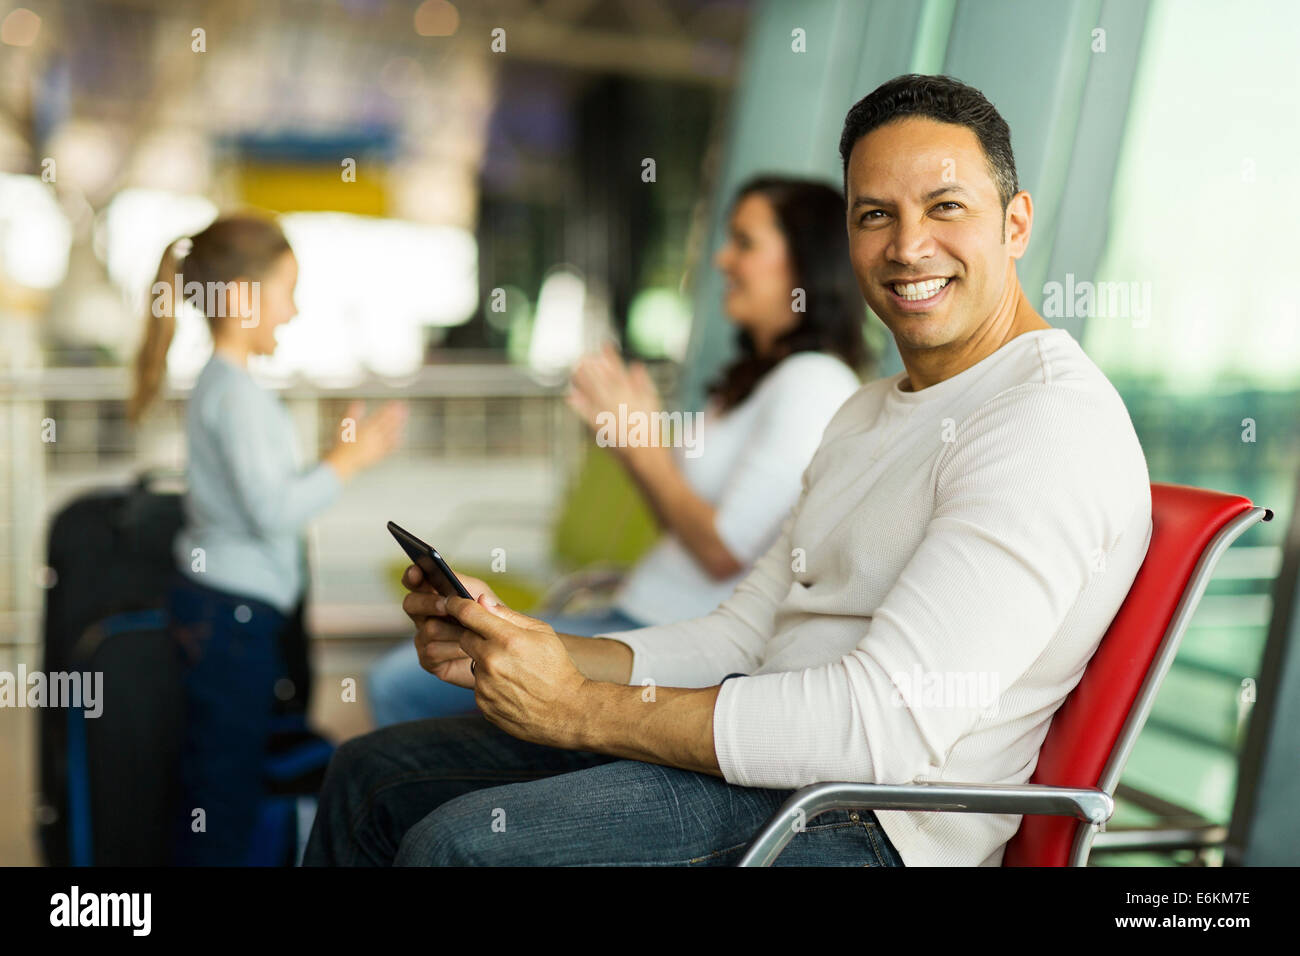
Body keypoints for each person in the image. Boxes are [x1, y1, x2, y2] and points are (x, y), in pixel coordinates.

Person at [304, 74, 1152, 868]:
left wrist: (576, 708)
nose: (907, 246)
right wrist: (540, 649)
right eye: (873, 215)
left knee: (463, 845)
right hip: (769, 760)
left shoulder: (1045, 422)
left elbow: (877, 727)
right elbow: (740, 637)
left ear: (1015, 222)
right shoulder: (865, 411)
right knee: (373, 775)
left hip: (867, 821)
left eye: (945, 207)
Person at [365, 175, 870, 727]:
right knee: (414, 677)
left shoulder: (814, 381)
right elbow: (685, 525)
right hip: (635, 613)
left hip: (672, 639)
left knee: (399, 686)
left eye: (745, 242)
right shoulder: (759, 384)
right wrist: (639, 446)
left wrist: (642, 446)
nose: (723, 259)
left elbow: (723, 549)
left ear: (806, 262)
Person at [128, 214, 408, 865]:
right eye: (287, 289)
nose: (294, 308)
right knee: (221, 792)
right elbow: (272, 510)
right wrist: (350, 460)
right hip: (233, 620)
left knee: (225, 776)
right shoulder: (236, 394)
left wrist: (333, 456)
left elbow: (262, 493)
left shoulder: (225, 387)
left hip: (227, 613)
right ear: (243, 297)